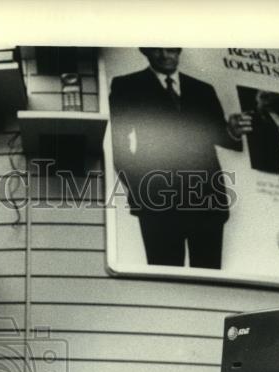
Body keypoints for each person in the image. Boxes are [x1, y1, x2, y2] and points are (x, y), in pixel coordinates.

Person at [108, 48, 253, 269]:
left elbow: (217, 136)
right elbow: (118, 145)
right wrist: (140, 190)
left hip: (206, 201)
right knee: (165, 282)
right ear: (145, 51)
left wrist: (231, 131)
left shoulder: (203, 89)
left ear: (179, 50)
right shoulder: (126, 86)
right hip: (157, 202)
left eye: (171, 49)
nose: (166, 55)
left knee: (208, 279)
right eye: (157, 50)